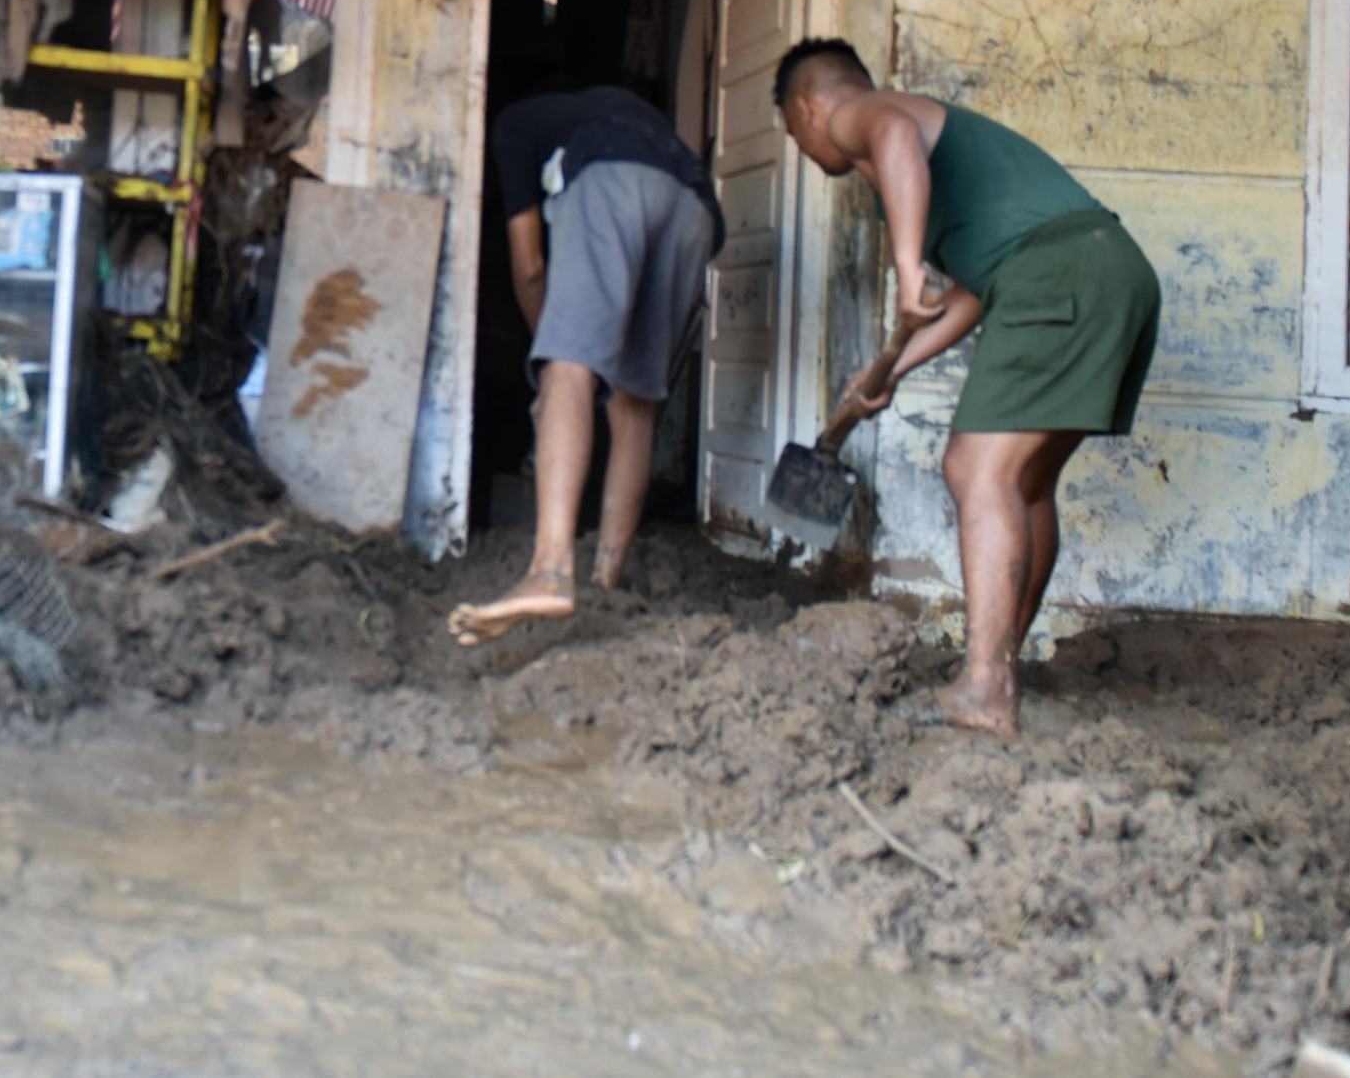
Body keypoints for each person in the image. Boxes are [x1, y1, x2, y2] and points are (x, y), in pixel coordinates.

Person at [772, 39, 1160, 736]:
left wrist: (905, 260)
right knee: (1024, 481)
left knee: (973, 468)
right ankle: (1000, 663)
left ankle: (984, 686)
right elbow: (976, 291)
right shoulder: (946, 157)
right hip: (1108, 270)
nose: (809, 147)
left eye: (795, 134)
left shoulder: (861, 116)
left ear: (805, 109)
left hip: (1058, 271)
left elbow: (890, 136)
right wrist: (890, 369)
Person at [449, 85, 723, 646]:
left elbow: (528, 266)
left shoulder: (512, 126)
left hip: (612, 178)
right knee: (635, 398)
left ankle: (549, 569)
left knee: (567, 366)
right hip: (696, 208)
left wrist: (555, 360)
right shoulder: (586, 112)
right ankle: (605, 578)